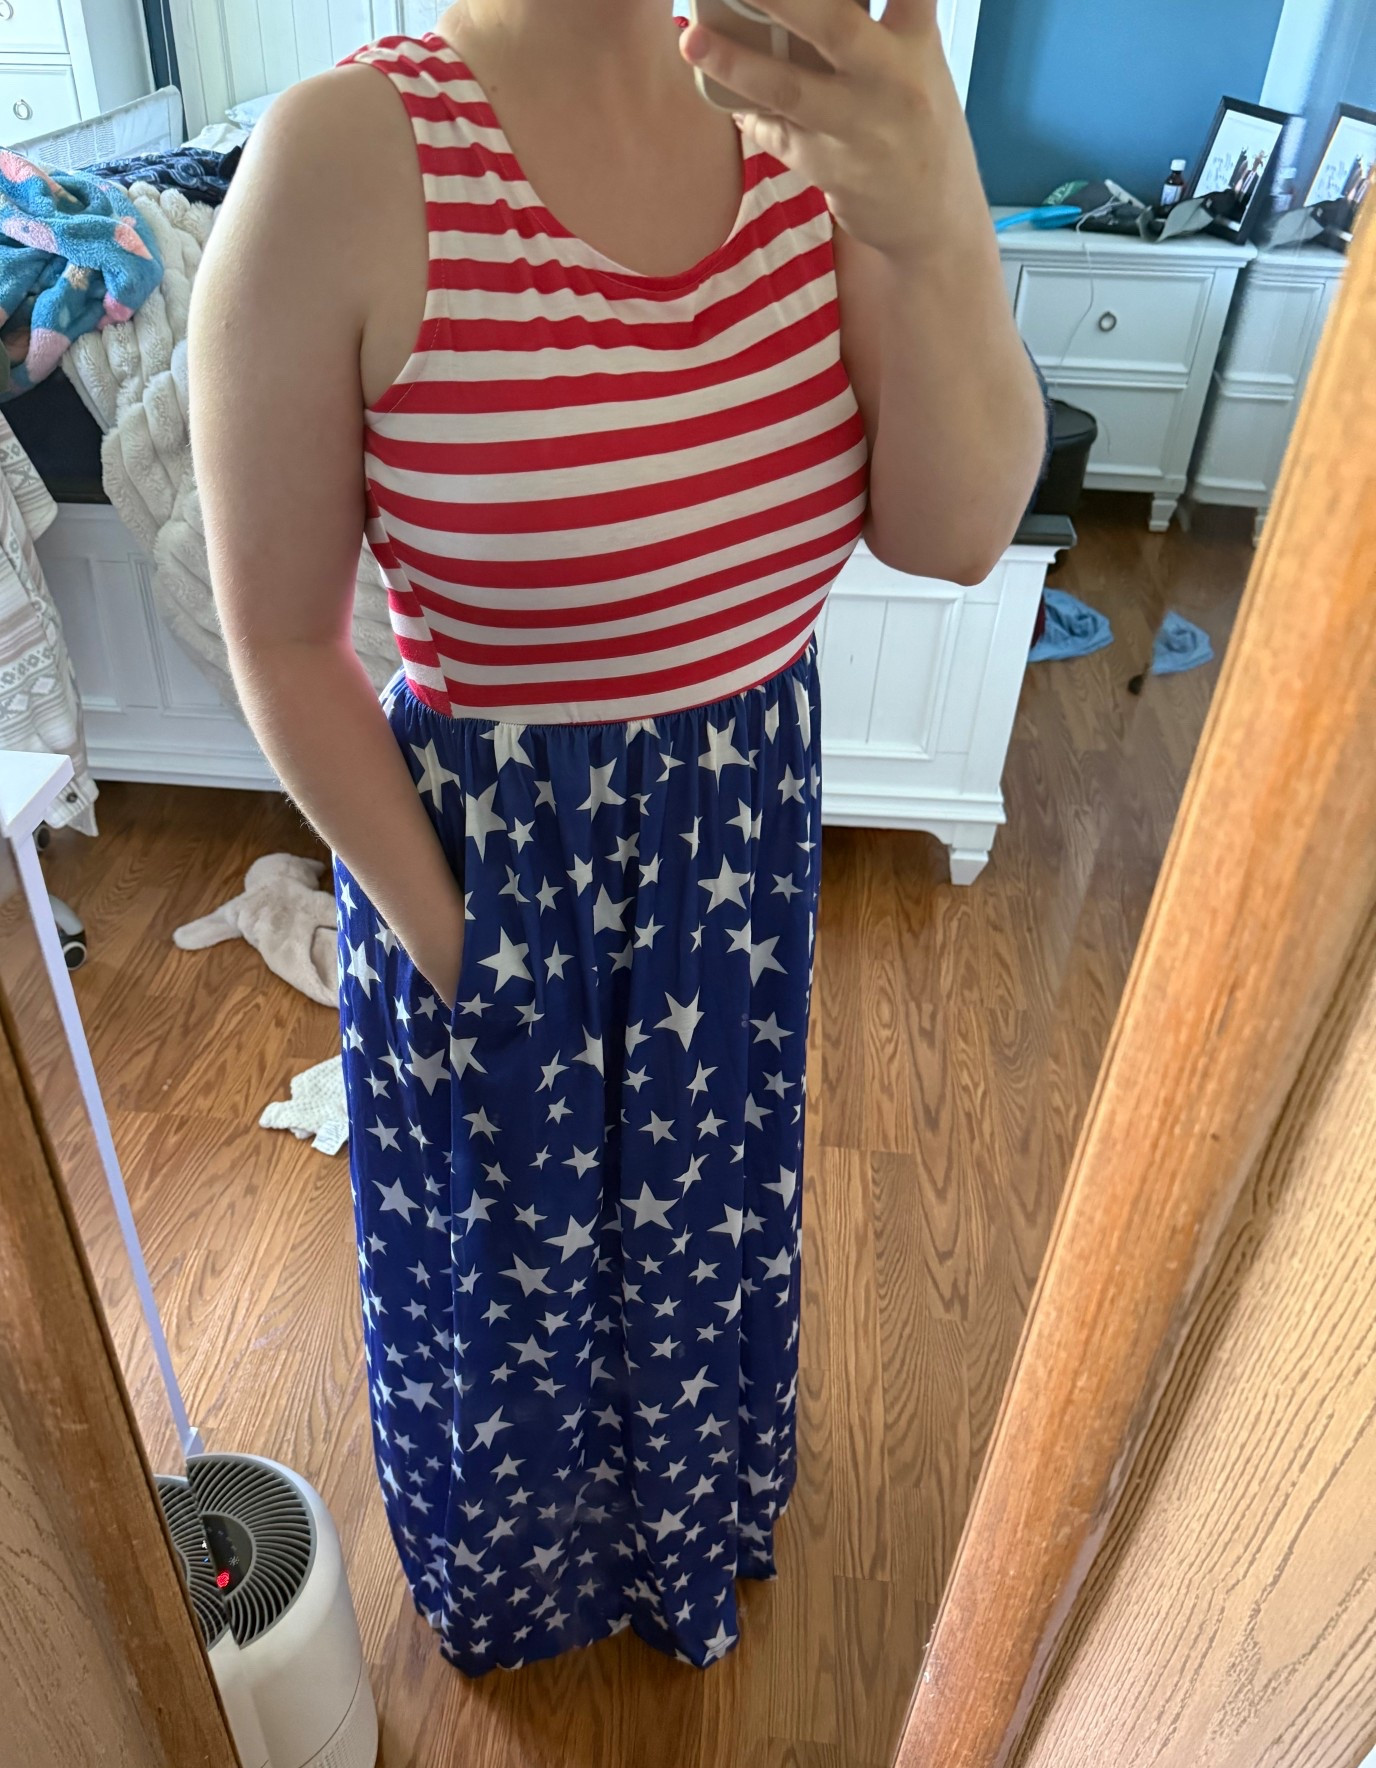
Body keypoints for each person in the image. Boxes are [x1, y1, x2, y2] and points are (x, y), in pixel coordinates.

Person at [190, 0, 1046, 1677]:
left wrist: (937, 216)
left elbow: (953, 534)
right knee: (509, 1289)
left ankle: (684, 1539)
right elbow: (286, 646)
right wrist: (466, 957)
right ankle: (523, 1590)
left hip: (732, 868)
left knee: (699, 1235)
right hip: (491, 874)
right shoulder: (342, 163)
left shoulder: (825, 113)